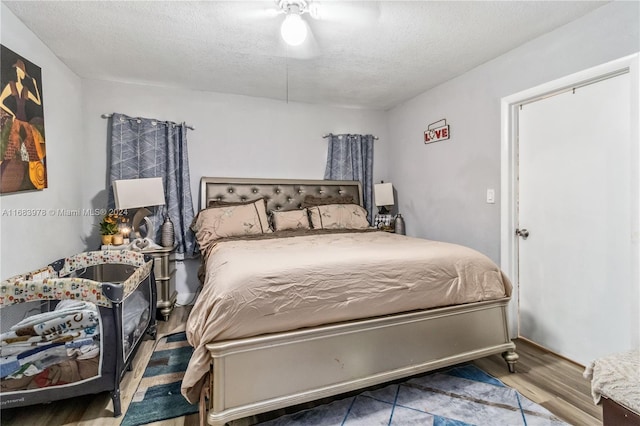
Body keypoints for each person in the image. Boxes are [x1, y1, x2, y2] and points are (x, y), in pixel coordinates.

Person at [0, 58, 46, 190]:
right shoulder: (11, 86)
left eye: (21, 71)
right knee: (10, 152)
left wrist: (36, 86)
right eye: (19, 70)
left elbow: (37, 101)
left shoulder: (25, 89)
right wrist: (12, 114)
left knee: (31, 153)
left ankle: (30, 178)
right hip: (17, 121)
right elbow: (1, 102)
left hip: (25, 122)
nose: (19, 72)